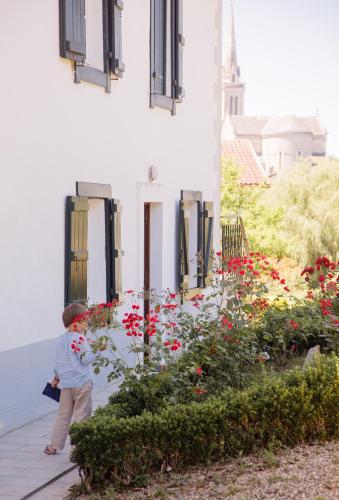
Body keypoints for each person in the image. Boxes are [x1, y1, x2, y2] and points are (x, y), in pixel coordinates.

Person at [44, 303, 95, 455]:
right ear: (75, 324)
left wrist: (56, 378)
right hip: (82, 384)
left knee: (63, 415)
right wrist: (95, 350)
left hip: (66, 385)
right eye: (84, 322)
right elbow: (86, 359)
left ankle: (53, 446)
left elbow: (59, 363)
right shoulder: (80, 339)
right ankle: (79, 448)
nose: (86, 326)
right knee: (82, 415)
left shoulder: (60, 340)